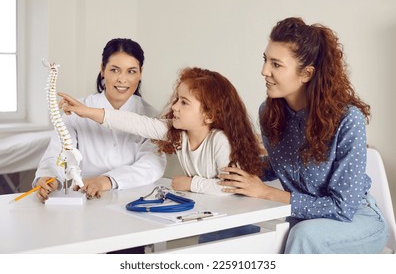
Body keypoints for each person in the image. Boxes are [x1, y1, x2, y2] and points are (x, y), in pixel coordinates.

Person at [217, 17, 389, 253]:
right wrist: (236, 168)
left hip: (356, 221)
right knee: (231, 227)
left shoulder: (348, 120)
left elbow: (343, 208)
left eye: (276, 64)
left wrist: (267, 192)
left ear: (306, 73)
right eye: (265, 60)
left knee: (305, 236)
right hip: (302, 217)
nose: (264, 71)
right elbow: (285, 164)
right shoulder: (268, 112)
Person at [58, 67, 264, 196]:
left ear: (209, 116)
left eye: (184, 103)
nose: (174, 107)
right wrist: (86, 111)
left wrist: (192, 183)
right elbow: (134, 122)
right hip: (213, 212)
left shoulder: (219, 141)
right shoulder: (178, 133)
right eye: (177, 100)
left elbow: (228, 188)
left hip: (237, 217)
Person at [34, 38, 167, 202]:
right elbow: (58, 153)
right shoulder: (77, 110)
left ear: (140, 73)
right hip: (86, 199)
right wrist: (50, 177)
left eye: (131, 71)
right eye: (115, 70)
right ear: (103, 70)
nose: (122, 79)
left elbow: (153, 164)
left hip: (136, 199)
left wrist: (107, 180)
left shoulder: (151, 117)